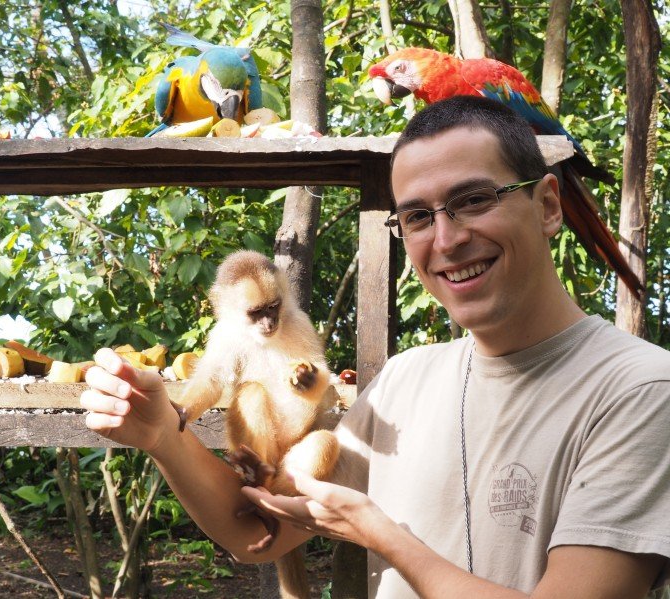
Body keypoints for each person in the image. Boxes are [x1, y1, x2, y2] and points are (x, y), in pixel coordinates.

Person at [81, 95, 670, 598]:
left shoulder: (641, 390)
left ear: (547, 205)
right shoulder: (405, 378)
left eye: (473, 200)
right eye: (416, 216)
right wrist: (163, 433)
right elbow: (253, 532)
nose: (447, 239)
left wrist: (379, 532)